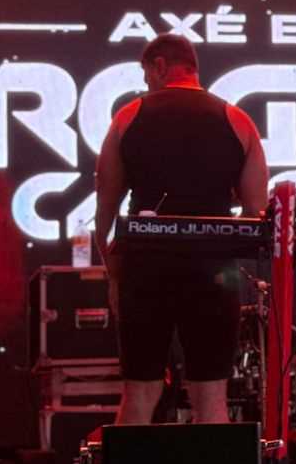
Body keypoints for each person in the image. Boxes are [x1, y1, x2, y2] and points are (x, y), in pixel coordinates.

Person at [94, 34, 268, 427]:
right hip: (212, 270)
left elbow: (105, 209)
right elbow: (256, 211)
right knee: (212, 398)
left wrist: (114, 275)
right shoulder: (238, 121)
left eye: (147, 76)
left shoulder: (127, 117)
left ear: (159, 66)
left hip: (144, 268)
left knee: (139, 394)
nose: (147, 85)